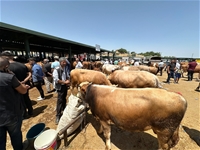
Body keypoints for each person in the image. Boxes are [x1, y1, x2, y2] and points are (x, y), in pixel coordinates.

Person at [0, 57, 30, 150]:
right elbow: (23, 91)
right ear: (6, 66)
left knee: (0, 141)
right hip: (11, 113)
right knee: (15, 135)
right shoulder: (9, 77)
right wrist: (25, 87)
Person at [0, 51, 33, 118]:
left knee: (19, 100)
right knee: (26, 98)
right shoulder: (22, 65)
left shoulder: (7, 68)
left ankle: (24, 114)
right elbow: (28, 73)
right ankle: (31, 111)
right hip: (25, 85)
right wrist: (24, 81)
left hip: (14, 87)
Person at [53, 57, 70, 124]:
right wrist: (64, 82)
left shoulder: (65, 68)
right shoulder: (56, 70)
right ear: (60, 62)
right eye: (63, 62)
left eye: (65, 62)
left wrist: (68, 79)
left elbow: (67, 75)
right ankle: (58, 116)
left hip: (64, 86)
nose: (65, 63)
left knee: (64, 97)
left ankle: (64, 109)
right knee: (60, 100)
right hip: (60, 86)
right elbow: (56, 80)